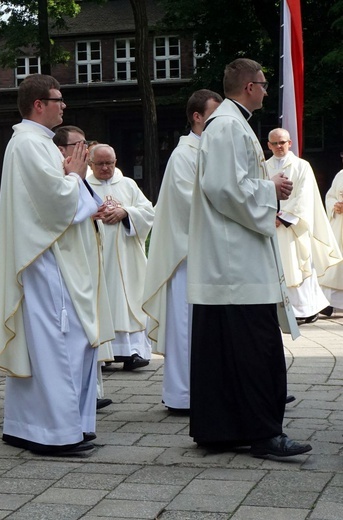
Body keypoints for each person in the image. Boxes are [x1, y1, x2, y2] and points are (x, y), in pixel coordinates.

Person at [186, 58, 311, 457]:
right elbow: (223, 189)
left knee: (227, 351)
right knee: (257, 351)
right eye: (262, 82)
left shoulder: (229, 123)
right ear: (249, 86)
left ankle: (221, 429)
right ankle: (264, 434)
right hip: (234, 262)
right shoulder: (226, 126)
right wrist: (269, 187)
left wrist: (262, 189)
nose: (265, 88)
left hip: (231, 261)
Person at [0, 74, 114, 456]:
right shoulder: (29, 144)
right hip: (47, 261)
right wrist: (76, 178)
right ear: (38, 104)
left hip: (50, 256)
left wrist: (75, 183)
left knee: (50, 343)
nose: (64, 106)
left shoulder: (36, 143)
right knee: (60, 343)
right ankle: (56, 432)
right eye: (59, 100)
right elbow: (54, 202)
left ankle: (35, 424)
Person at [142, 90, 222, 413]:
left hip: (206, 253)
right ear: (197, 117)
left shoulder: (209, 149)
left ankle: (204, 389)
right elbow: (193, 204)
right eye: (213, 115)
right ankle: (182, 395)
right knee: (185, 328)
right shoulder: (184, 155)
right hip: (186, 257)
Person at [53, 126, 114, 411]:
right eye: (79, 145)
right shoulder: (63, 175)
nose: (84, 150)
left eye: (85, 144)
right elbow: (61, 213)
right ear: (62, 148)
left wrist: (96, 211)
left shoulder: (77, 177)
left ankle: (92, 392)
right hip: (69, 264)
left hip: (89, 257)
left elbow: (84, 208)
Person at [87, 144, 155, 371]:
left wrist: (126, 212)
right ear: (91, 163)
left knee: (129, 300)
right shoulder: (85, 186)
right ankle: (104, 353)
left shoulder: (128, 184)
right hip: (98, 256)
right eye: (101, 164)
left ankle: (132, 351)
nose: (106, 168)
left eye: (110, 163)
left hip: (127, 257)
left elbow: (148, 211)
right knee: (103, 301)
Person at [267, 128, 341, 324]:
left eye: (282, 142)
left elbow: (305, 197)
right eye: (274, 143)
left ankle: (305, 310)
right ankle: (280, 309)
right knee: (276, 267)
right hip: (270, 226)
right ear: (269, 145)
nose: (279, 146)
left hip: (293, 227)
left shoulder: (302, 166)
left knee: (298, 265)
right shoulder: (264, 167)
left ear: (290, 143)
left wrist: (282, 217)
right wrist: (267, 215)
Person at [321, 158, 343, 312]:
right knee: (335, 266)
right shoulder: (340, 174)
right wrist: (334, 205)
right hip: (339, 225)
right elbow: (330, 196)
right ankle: (330, 303)